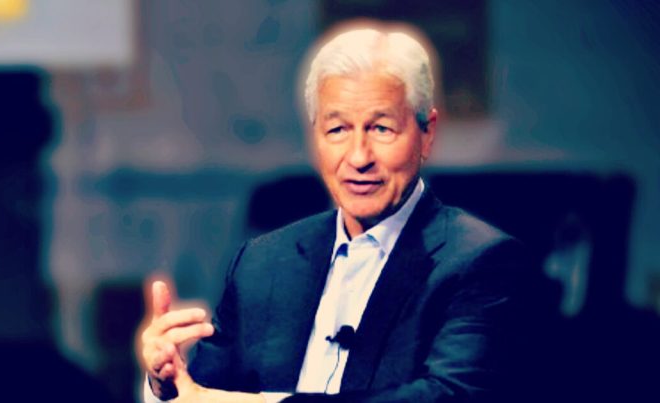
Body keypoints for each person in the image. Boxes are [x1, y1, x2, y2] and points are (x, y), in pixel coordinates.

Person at [137, 22, 533, 403]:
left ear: (426, 132)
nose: (358, 157)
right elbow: (202, 396)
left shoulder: (480, 262)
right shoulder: (261, 262)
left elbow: (448, 397)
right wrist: (166, 384)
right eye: (337, 130)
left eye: (381, 129)